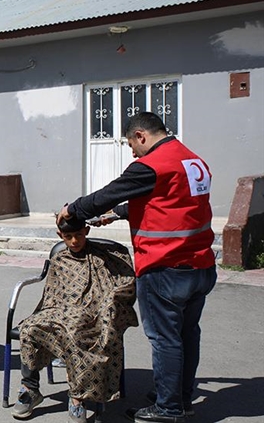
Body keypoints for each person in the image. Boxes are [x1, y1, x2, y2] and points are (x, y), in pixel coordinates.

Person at [59, 112, 216, 423]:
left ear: (142, 135)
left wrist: (72, 209)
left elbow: (105, 194)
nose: (132, 152)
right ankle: (179, 398)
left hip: (165, 268)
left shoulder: (150, 165)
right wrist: (118, 214)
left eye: (132, 144)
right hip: (200, 265)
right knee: (187, 335)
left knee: (165, 338)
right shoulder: (192, 161)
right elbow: (170, 202)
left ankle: (168, 409)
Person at [11, 216, 137, 423]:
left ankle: (77, 397)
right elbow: (51, 295)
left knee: (76, 332)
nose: (74, 241)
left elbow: (123, 284)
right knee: (30, 328)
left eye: (79, 235)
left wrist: (105, 306)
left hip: (93, 312)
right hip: (59, 311)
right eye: (68, 237)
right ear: (60, 236)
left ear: (86, 231)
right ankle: (30, 388)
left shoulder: (102, 258)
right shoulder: (60, 259)